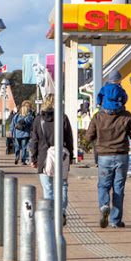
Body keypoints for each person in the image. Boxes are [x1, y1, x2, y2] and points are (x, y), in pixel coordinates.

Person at [85, 81, 131, 228]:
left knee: (103, 186)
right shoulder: (127, 116)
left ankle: (104, 206)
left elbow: (88, 137)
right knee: (119, 188)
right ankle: (115, 220)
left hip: (104, 156)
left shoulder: (98, 117)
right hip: (121, 156)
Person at [30, 94, 74, 225]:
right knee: (63, 185)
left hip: (44, 157)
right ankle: (61, 211)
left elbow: (34, 141)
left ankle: (50, 213)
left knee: (47, 186)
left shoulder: (38, 120)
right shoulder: (63, 118)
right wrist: (71, 155)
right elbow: (69, 138)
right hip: (61, 155)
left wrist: (33, 158)